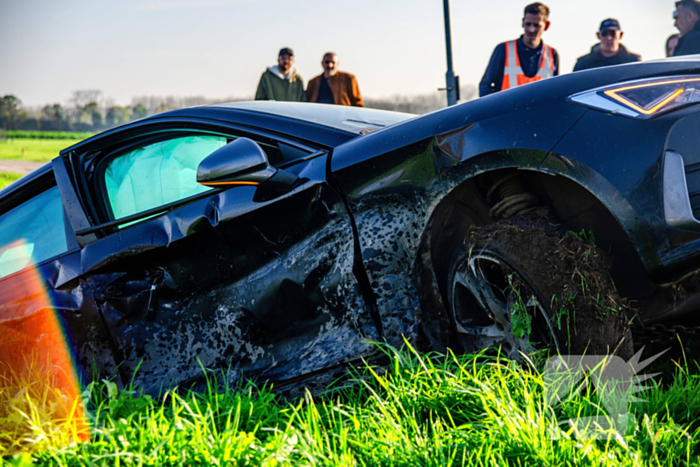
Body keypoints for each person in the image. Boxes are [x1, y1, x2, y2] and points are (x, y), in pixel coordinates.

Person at [479, 3, 559, 97]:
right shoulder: (503, 50)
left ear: (546, 25)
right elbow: (485, 86)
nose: (531, 29)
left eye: (536, 25)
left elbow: (555, 92)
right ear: (522, 22)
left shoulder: (552, 55)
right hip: (509, 111)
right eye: (528, 24)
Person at [573, 19, 641, 72]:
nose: (608, 38)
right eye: (604, 34)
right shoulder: (584, 64)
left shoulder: (633, 62)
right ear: (598, 35)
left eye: (613, 34)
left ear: (620, 35)